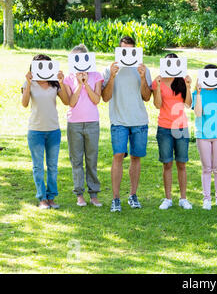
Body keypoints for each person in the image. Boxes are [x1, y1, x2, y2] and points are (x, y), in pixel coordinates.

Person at [102, 36, 152, 212]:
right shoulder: (110, 70)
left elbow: (146, 97)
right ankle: (116, 198)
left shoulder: (142, 69)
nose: (127, 53)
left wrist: (143, 77)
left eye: (131, 50)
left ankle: (133, 195)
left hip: (139, 121)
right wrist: (113, 76)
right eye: (124, 50)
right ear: (118, 50)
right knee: (118, 156)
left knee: (135, 158)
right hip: (119, 121)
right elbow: (105, 97)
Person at [21, 54, 69, 209]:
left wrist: (61, 82)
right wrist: (28, 83)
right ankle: (42, 198)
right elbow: (24, 103)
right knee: (38, 167)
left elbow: (67, 101)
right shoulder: (30, 83)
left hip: (53, 131)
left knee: (53, 166)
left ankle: (51, 197)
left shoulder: (54, 84)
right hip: (36, 131)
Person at [63, 44, 103, 207]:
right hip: (74, 124)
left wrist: (86, 83)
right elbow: (71, 102)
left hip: (92, 123)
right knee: (76, 160)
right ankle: (79, 194)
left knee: (91, 159)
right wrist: (79, 84)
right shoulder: (68, 77)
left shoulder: (96, 76)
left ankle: (94, 194)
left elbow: (96, 100)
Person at [153, 53, 193, 210]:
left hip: (181, 127)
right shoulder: (159, 81)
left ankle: (183, 198)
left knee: (181, 164)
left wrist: (189, 86)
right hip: (164, 127)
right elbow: (157, 105)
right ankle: (168, 198)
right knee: (167, 164)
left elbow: (189, 103)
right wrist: (157, 86)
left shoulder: (182, 81)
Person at [192, 64, 217, 210]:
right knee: (207, 168)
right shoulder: (197, 94)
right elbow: (198, 113)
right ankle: (207, 198)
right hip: (203, 135)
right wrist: (199, 93)